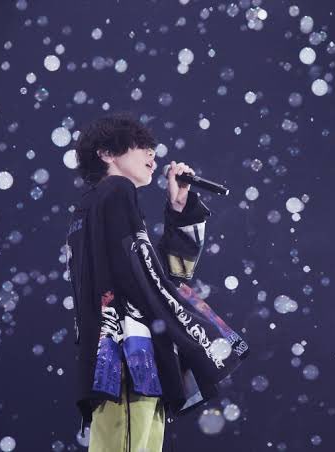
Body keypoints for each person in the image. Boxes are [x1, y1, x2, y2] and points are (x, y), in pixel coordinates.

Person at [65, 112, 249, 451]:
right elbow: (149, 278)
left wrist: (178, 209)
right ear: (106, 153)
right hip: (129, 359)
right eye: (140, 145)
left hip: (124, 361)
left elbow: (155, 273)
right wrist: (196, 333)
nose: (152, 153)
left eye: (152, 147)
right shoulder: (116, 190)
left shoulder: (91, 208)